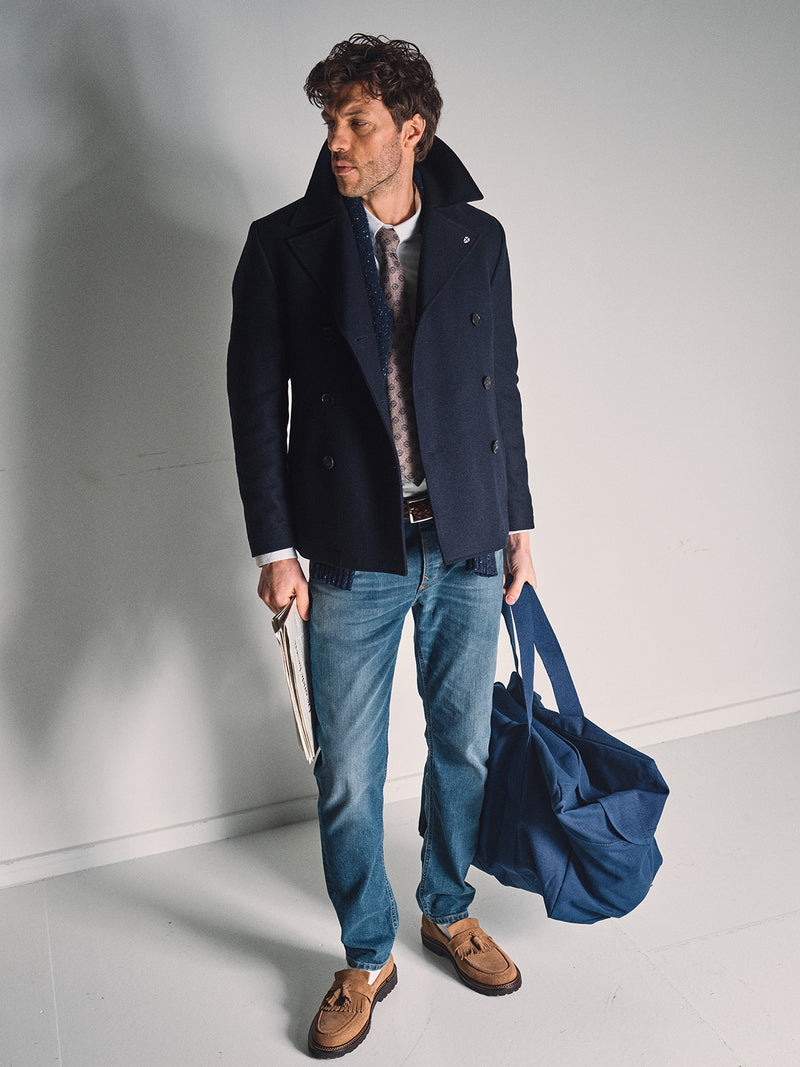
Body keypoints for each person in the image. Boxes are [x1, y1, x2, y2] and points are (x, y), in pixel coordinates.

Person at [227, 34, 537, 1059]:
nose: (335, 141)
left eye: (355, 120)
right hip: (349, 552)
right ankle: (367, 949)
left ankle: (446, 908)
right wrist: (274, 544)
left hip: (463, 543)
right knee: (350, 775)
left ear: (413, 129)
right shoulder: (285, 244)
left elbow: (500, 384)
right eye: (327, 120)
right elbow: (251, 403)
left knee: (463, 747)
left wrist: (517, 520)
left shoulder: (473, 239)